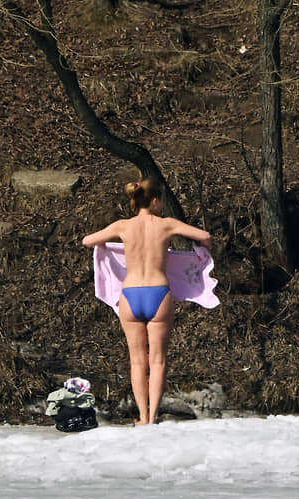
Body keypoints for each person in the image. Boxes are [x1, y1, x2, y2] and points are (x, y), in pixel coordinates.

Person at [82, 178, 212, 424]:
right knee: (158, 360)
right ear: (154, 201)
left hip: (130, 295)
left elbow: (87, 241)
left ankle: (141, 416)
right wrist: (203, 251)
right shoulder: (166, 224)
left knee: (137, 360)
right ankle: (153, 417)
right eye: (160, 200)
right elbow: (204, 235)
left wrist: (108, 247)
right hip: (158, 293)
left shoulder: (123, 226)